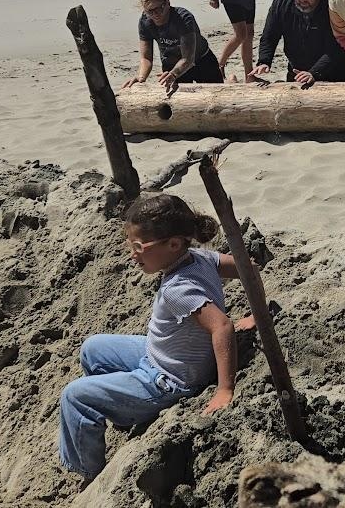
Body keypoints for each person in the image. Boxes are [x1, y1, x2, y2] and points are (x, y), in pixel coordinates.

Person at [58, 193, 248, 482]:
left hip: (170, 379)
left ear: (173, 244)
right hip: (160, 353)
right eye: (130, 245)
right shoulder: (200, 257)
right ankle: (124, 410)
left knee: (74, 396)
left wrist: (225, 389)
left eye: (138, 247)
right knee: (92, 348)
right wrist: (257, 313)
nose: (133, 255)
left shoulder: (178, 290)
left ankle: (89, 470)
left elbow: (221, 327)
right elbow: (248, 269)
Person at [122, 0, 222, 92]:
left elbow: (188, 59)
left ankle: (231, 79)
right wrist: (141, 77)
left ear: (168, 3)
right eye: (150, 11)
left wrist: (174, 74)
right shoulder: (145, 22)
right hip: (172, 64)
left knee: (217, 94)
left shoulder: (183, 18)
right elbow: (146, 58)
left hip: (201, 60)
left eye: (159, 8)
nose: (155, 14)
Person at [252, 0, 345, 85]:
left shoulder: (332, 7)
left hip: (330, 73)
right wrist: (264, 61)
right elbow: (269, 36)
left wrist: (313, 73)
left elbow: (336, 48)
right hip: (296, 71)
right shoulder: (281, 3)